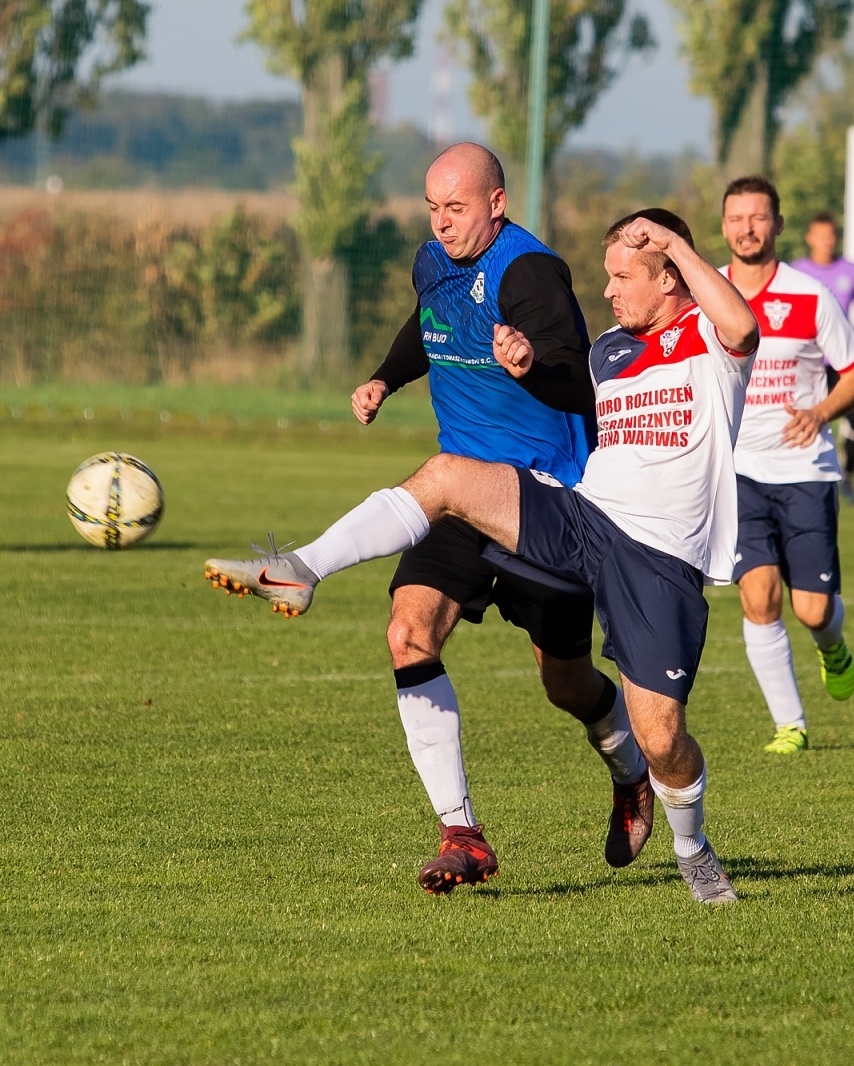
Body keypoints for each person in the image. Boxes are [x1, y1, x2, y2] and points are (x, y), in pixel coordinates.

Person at [206, 208, 760, 904]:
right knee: (443, 477)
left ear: (672, 276)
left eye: (623, 277)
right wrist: (525, 368)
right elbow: (567, 396)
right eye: (608, 276)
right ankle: (300, 569)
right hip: (583, 518)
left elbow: (743, 327)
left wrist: (676, 240)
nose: (610, 292)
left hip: (658, 559)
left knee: (660, 737)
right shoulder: (611, 349)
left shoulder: (711, 339)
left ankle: (692, 846)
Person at [237, 142, 653, 894]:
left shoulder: (531, 273)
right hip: (457, 502)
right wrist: (384, 378)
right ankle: (462, 834)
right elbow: (428, 324)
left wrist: (532, 361)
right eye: (432, 208)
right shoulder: (432, 259)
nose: (442, 223)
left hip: (542, 503)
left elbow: (583, 382)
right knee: (407, 633)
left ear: (497, 202)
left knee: (565, 683)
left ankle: (631, 771)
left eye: (456, 208)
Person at [719, 176, 854, 755]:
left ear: (778, 225)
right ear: (725, 224)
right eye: (737, 218)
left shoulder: (811, 296)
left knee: (811, 610)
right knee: (758, 597)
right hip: (738, 471)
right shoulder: (707, 296)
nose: (747, 228)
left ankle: (833, 646)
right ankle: (791, 725)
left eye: (758, 217)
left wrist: (821, 410)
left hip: (805, 469)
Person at [790, 212, 854, 505]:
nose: (825, 241)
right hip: (809, 362)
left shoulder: (852, 272)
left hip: (844, 362)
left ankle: (848, 478)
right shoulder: (796, 271)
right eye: (820, 235)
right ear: (809, 238)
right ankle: (802, 479)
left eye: (830, 235)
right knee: (804, 419)